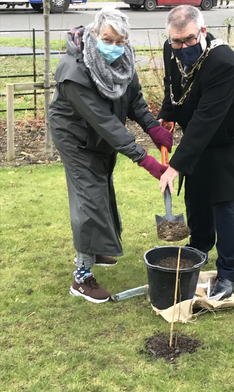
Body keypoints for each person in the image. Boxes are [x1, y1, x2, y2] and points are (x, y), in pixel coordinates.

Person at [49, 8, 172, 304]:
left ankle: (95, 246)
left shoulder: (123, 59)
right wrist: (146, 161)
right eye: (108, 39)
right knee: (89, 195)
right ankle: (82, 277)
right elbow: (105, 124)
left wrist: (153, 128)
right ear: (94, 35)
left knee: (102, 186)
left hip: (99, 135)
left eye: (120, 41)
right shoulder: (73, 72)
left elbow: (134, 101)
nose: (114, 46)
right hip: (75, 137)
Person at [158, 5, 234, 300]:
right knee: (197, 192)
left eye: (189, 40)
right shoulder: (171, 49)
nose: (182, 47)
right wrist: (168, 113)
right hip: (202, 136)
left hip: (233, 138)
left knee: (224, 199)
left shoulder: (222, 63)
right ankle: (199, 249)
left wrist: (175, 166)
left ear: (202, 31)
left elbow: (206, 119)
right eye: (177, 42)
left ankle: (228, 272)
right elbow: (172, 85)